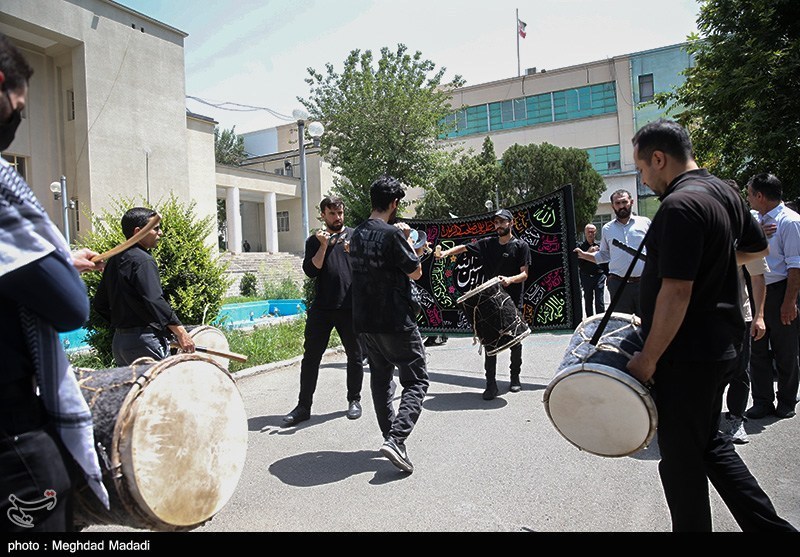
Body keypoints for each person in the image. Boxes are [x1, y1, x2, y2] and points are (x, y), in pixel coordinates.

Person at [626, 118, 796, 532]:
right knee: (710, 445)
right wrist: (714, 266)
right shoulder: (724, 192)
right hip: (720, 345)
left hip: (686, 355)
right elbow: (756, 247)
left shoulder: (680, 206)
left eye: (643, 169)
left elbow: (677, 293)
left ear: (660, 158)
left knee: (682, 465)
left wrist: (648, 359)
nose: (644, 180)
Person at [0, 32, 108, 532]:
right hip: (11, 430)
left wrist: (59, 256)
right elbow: (70, 308)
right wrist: (60, 268)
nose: (17, 120)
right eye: (17, 107)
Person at [349, 175, 429, 474]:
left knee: (381, 380)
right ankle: (396, 440)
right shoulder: (394, 235)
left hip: (365, 321)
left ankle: (390, 439)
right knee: (416, 380)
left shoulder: (355, 234)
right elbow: (416, 272)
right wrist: (410, 241)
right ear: (394, 204)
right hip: (394, 319)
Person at [282, 196, 364, 426]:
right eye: (332, 214)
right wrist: (324, 245)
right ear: (323, 215)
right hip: (322, 308)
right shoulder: (314, 241)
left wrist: (354, 254)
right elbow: (312, 271)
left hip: (349, 306)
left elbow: (367, 268)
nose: (338, 218)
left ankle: (354, 400)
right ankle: (303, 407)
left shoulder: (355, 236)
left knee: (355, 356)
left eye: (340, 213)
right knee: (311, 358)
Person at [435, 208, 531, 400]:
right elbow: (463, 248)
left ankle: (515, 378)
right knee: (489, 342)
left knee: (515, 340)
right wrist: (445, 253)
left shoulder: (521, 246)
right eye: (496, 223)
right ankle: (491, 385)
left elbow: (524, 274)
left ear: (511, 223)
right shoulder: (487, 244)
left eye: (502, 222)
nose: (498, 226)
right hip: (490, 301)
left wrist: (510, 280)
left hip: (511, 299)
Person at [93, 207, 196, 366]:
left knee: (134, 391)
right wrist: (181, 333)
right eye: (155, 229)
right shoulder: (143, 260)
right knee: (161, 390)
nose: (160, 233)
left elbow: (100, 303)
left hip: (120, 343)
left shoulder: (114, 259)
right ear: (138, 231)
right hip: (146, 343)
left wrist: (124, 323)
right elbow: (154, 299)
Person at [745, 173, 800, 420]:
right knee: (757, 350)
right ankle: (762, 401)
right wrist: (756, 232)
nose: (748, 199)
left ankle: (787, 400)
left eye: (749, 194)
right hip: (756, 292)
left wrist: (789, 302)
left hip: (780, 291)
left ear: (760, 195)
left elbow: (795, 266)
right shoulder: (755, 220)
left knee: (785, 350)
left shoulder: (790, 222)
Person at [574, 190, 650, 316]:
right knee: (621, 326)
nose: (621, 206)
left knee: (646, 324)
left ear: (631, 202)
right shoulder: (608, 229)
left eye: (624, 202)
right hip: (618, 285)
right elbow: (604, 255)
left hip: (643, 284)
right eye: (618, 203)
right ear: (613, 206)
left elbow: (655, 249)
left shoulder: (645, 223)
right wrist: (583, 255)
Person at [576, 223, 608, 317]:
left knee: (600, 301)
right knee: (588, 300)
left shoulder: (600, 246)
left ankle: (600, 321)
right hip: (586, 276)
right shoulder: (580, 247)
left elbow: (605, 261)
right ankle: (590, 321)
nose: (591, 234)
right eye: (589, 232)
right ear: (585, 233)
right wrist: (588, 253)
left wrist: (608, 275)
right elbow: (579, 263)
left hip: (599, 276)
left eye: (593, 232)